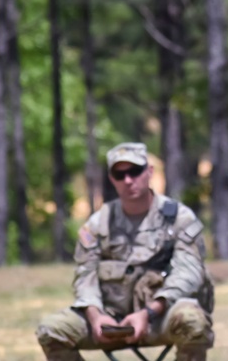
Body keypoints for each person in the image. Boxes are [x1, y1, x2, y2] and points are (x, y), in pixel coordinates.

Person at [37, 142, 215, 361]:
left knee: (193, 321)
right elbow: (85, 277)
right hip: (109, 321)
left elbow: (189, 274)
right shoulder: (97, 225)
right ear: (112, 179)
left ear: (149, 172)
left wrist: (148, 313)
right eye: (119, 174)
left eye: (135, 171)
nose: (128, 180)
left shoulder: (180, 219)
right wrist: (95, 317)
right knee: (52, 329)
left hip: (160, 317)